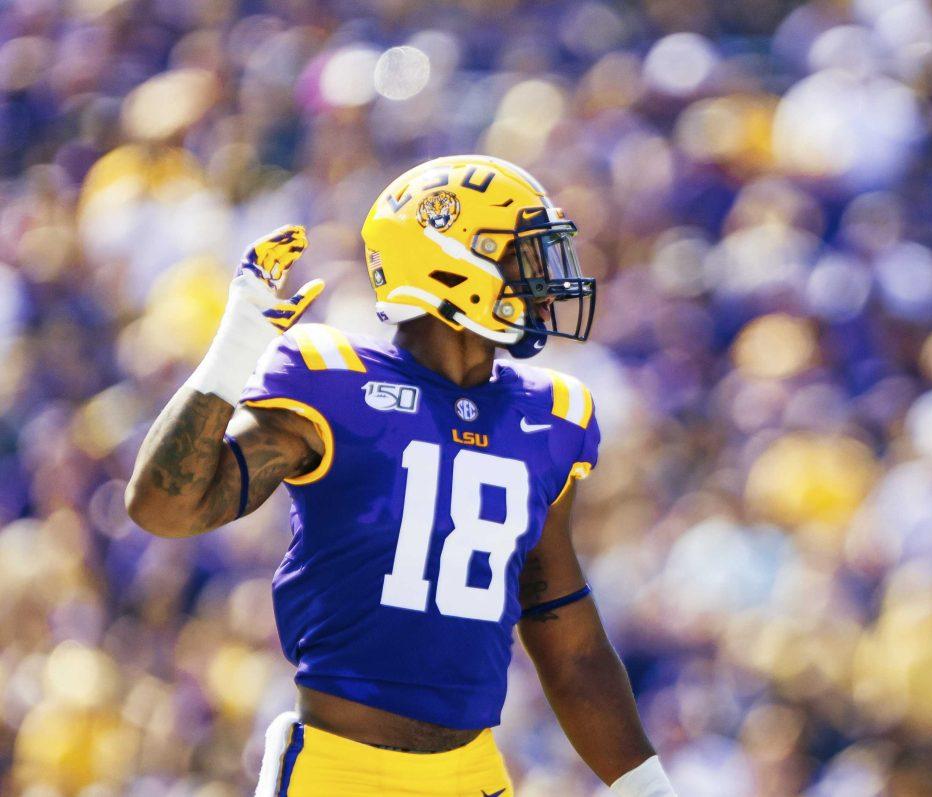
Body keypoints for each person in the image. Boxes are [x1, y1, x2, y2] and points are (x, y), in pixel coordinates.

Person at [125, 155, 677, 797]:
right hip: (341, 772)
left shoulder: (550, 415)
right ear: (453, 262)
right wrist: (232, 353)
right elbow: (164, 509)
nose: (546, 284)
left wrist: (650, 788)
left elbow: (565, 633)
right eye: (524, 259)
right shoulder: (329, 381)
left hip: (474, 774)